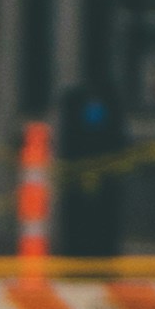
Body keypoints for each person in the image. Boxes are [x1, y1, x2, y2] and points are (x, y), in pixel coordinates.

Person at [53, 73, 127, 262]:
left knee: (93, 222)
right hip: (86, 173)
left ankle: (87, 253)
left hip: (94, 173)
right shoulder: (102, 101)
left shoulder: (84, 101)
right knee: (86, 221)